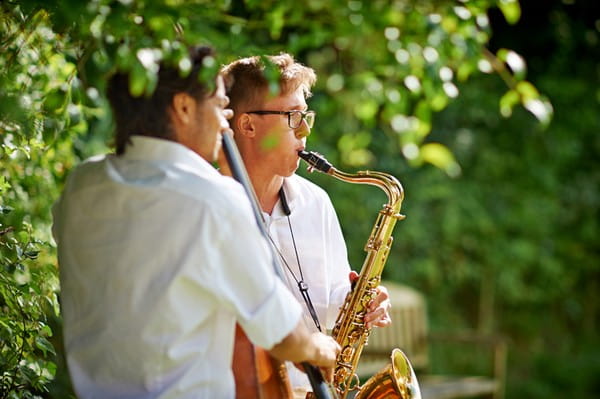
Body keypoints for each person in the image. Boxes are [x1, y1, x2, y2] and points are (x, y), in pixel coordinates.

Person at [52, 46, 340, 399]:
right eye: (220, 106)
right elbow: (283, 336)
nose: (225, 123)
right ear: (184, 107)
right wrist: (318, 348)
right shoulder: (213, 199)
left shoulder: (82, 186)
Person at [220, 53, 392, 398]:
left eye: (306, 115)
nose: (306, 129)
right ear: (248, 125)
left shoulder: (317, 203)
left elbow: (331, 297)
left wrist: (362, 303)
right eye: (292, 116)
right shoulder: (209, 208)